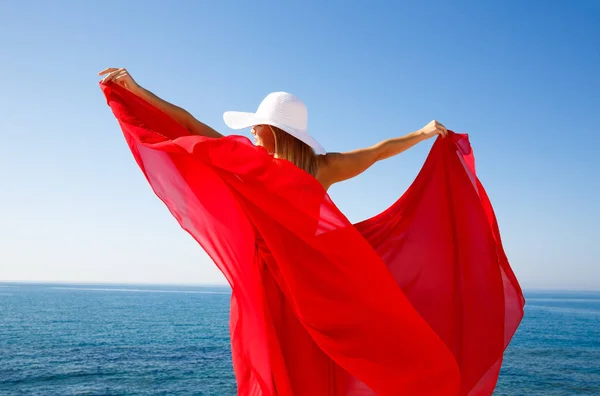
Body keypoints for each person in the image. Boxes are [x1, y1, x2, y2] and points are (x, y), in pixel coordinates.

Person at [99, 68, 448, 191]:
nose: (251, 132)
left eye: (257, 126)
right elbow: (380, 151)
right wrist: (140, 92)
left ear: (273, 131)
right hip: (305, 273)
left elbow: (190, 124)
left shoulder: (251, 163)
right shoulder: (323, 169)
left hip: (273, 278)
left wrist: (422, 133)